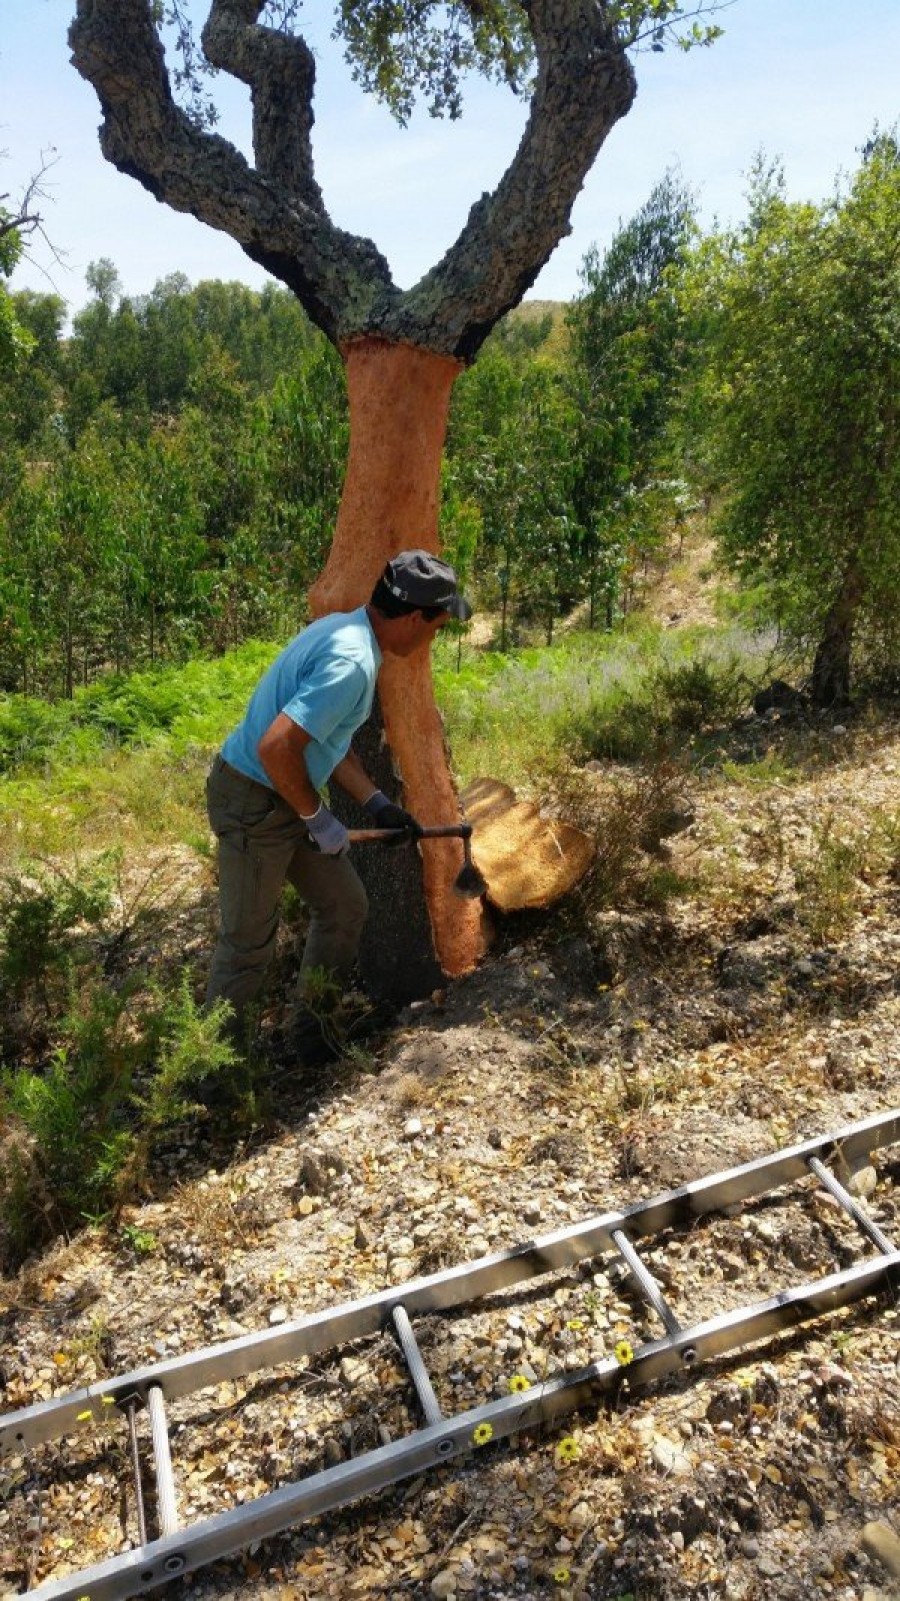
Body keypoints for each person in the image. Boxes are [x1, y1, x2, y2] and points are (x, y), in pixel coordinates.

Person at [205, 550, 472, 1038]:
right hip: (253, 801)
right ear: (414, 618)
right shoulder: (351, 661)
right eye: (435, 627)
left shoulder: (348, 631)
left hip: (285, 794)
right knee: (248, 945)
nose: (432, 639)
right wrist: (319, 820)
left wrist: (377, 802)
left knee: (345, 907)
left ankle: (313, 1037)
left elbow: (324, 739)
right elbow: (276, 748)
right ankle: (214, 1071)